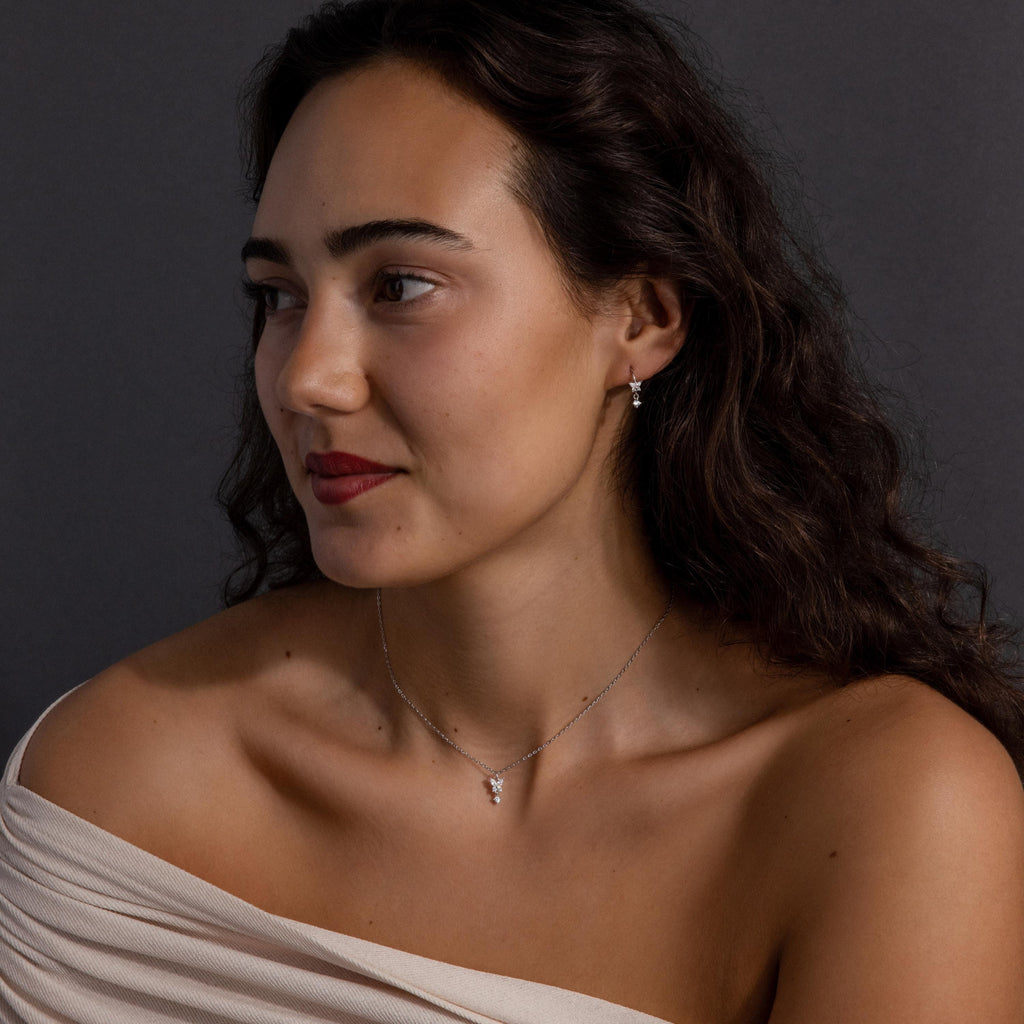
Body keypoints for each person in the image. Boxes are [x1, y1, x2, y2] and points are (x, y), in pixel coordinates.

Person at [3, 0, 1023, 1021]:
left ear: (641, 317)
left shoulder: (882, 805)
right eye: (278, 295)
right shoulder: (122, 783)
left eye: (401, 285)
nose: (307, 377)